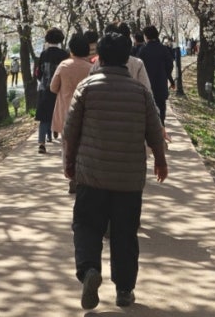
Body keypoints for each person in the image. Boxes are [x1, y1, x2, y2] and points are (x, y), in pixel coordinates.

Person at [62, 31, 168, 310]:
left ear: (101, 57)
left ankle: (89, 271)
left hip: (91, 174)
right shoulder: (141, 92)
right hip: (128, 180)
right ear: (127, 57)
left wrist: (69, 164)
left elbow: (70, 133)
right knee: (124, 234)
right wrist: (160, 160)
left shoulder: (86, 88)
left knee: (86, 225)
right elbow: (155, 131)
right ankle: (124, 290)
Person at [50, 32, 93, 178]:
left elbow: (53, 87)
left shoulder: (64, 65)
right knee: (83, 145)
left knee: (66, 146)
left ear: (71, 49)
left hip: (66, 112)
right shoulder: (91, 68)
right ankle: (82, 175)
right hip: (85, 113)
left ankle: (69, 175)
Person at [34, 28, 68, 153]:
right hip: (59, 89)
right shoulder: (64, 54)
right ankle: (59, 138)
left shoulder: (43, 54)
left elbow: (39, 73)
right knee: (59, 114)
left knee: (44, 116)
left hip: (44, 88)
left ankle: (42, 143)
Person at [138, 25, 175, 124]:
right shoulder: (164, 49)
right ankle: (161, 129)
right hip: (161, 84)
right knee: (161, 109)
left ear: (145, 36)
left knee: (148, 112)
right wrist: (170, 79)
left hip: (147, 85)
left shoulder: (143, 50)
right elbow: (169, 66)